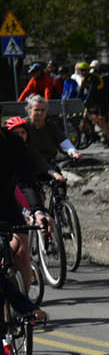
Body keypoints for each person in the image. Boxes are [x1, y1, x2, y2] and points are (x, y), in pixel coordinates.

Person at [0, 118, 46, 323]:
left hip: (5, 203)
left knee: (21, 246)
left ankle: (22, 304)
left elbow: (27, 181)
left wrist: (37, 211)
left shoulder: (12, 143)